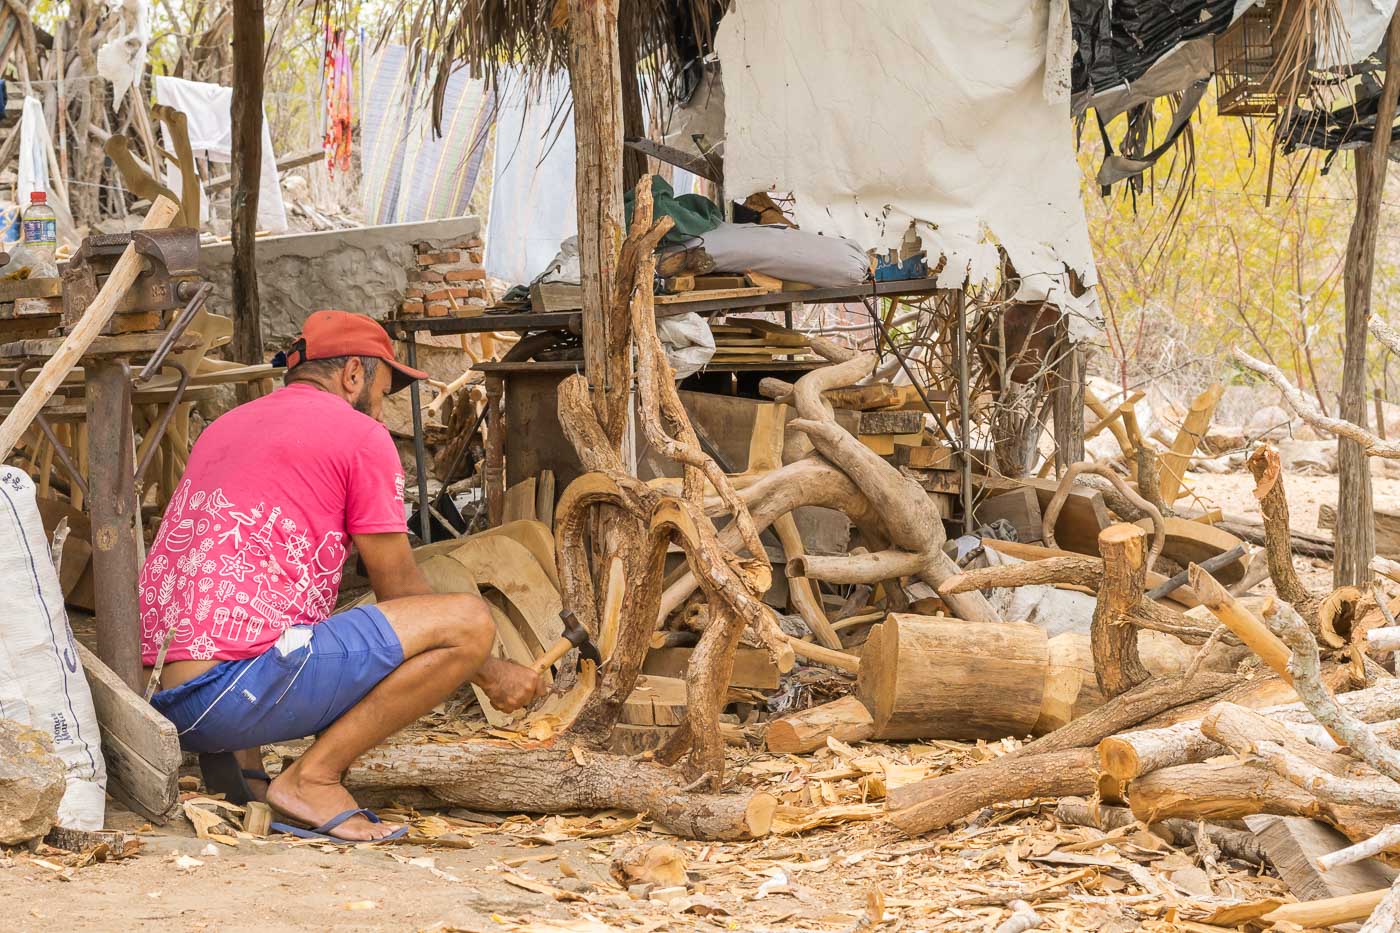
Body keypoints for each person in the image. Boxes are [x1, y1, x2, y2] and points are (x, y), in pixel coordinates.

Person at [142, 309, 544, 842]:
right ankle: (313, 777)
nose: (382, 406)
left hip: (169, 701)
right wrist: (492, 672)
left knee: (254, 594)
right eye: (383, 388)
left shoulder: (225, 426)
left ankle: (246, 775)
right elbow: (399, 591)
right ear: (353, 373)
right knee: (466, 622)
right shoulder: (360, 437)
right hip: (229, 693)